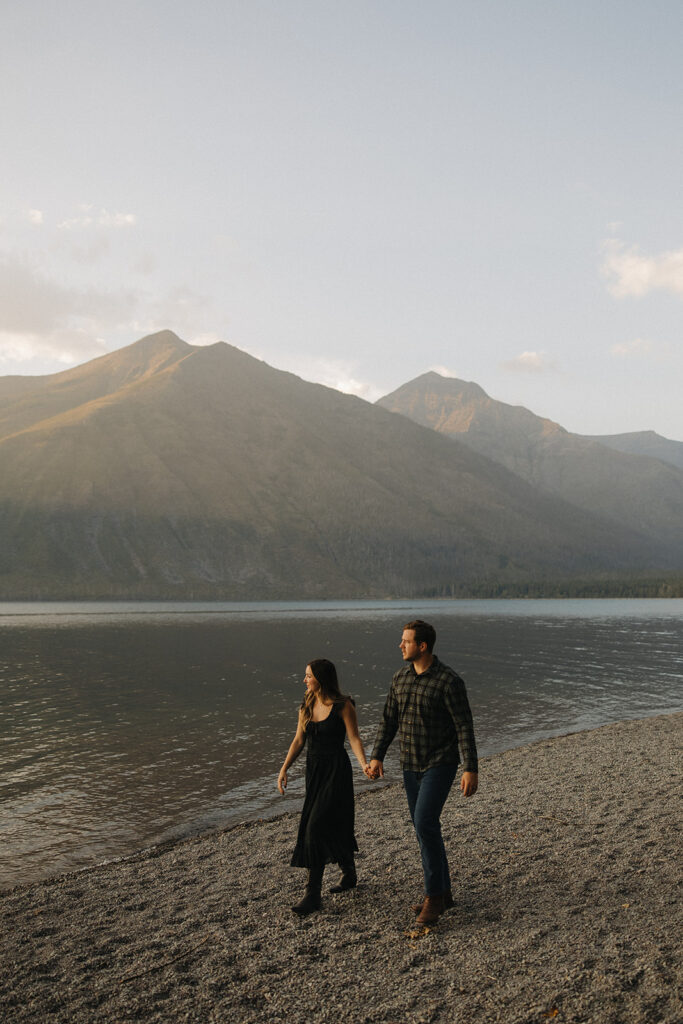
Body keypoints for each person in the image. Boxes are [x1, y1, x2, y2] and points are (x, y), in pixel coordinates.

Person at [367, 619, 478, 926]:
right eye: (402, 641)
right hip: (409, 764)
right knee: (423, 827)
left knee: (426, 823)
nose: (400, 645)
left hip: (440, 763)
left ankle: (433, 899)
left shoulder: (448, 681)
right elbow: (388, 720)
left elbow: (463, 727)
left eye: (406, 641)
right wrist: (376, 756)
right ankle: (444, 892)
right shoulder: (399, 678)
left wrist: (470, 768)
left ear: (423, 646)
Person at [278, 658, 370, 916]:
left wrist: (364, 765)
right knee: (333, 824)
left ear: (321, 678)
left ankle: (312, 894)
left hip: (336, 771)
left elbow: (354, 738)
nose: (304, 680)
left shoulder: (343, 705)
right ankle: (349, 873)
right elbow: (298, 740)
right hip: (314, 772)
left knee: (315, 825)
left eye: (308, 676)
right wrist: (284, 768)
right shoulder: (306, 704)